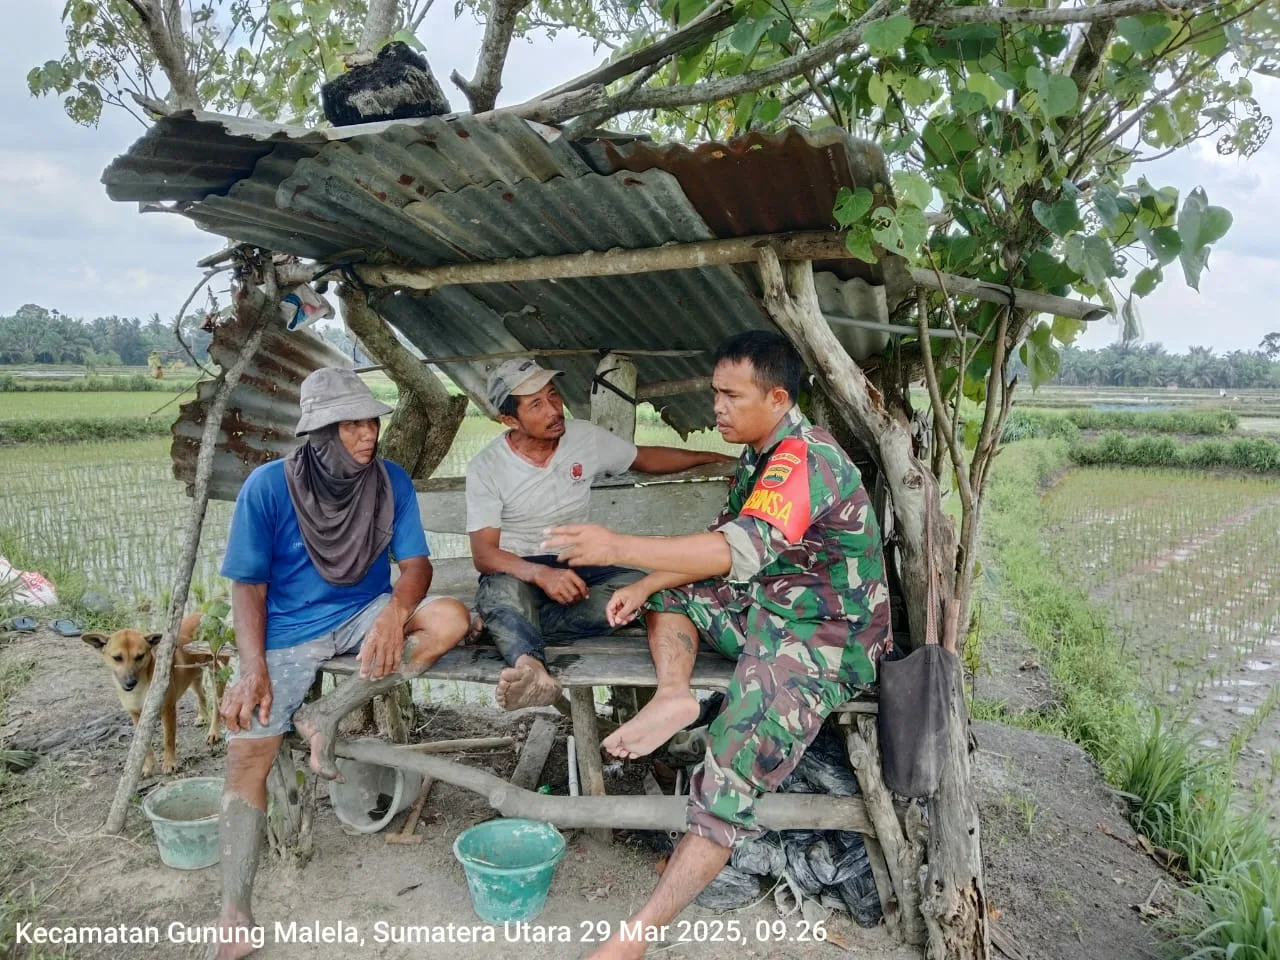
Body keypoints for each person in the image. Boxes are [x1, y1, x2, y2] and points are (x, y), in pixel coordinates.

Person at [542, 331, 892, 960]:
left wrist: (618, 549)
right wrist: (647, 583)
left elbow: (734, 551)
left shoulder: (802, 460)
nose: (718, 407)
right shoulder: (761, 456)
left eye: (732, 395)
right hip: (772, 608)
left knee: (729, 765)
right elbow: (719, 544)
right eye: (716, 394)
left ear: (778, 397)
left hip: (824, 638)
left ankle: (636, 936)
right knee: (667, 597)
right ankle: (675, 696)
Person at [213, 367, 470, 959]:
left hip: (365, 612)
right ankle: (235, 914)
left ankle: (327, 711)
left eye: (371, 421)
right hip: (288, 631)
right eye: (351, 425)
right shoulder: (268, 486)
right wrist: (253, 667)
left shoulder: (390, 481)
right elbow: (247, 586)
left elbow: (417, 567)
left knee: (451, 619)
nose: (368, 435)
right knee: (249, 751)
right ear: (319, 435)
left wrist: (392, 613)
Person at [466, 357, 735, 710]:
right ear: (509, 420)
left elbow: (644, 458)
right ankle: (531, 669)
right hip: (519, 568)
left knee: (642, 586)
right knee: (501, 590)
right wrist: (542, 574)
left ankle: (505, 625)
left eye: (552, 396)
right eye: (536, 405)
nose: (553, 410)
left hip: (580, 566)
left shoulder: (582, 438)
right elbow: (485, 555)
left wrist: (708, 457)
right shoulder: (488, 467)